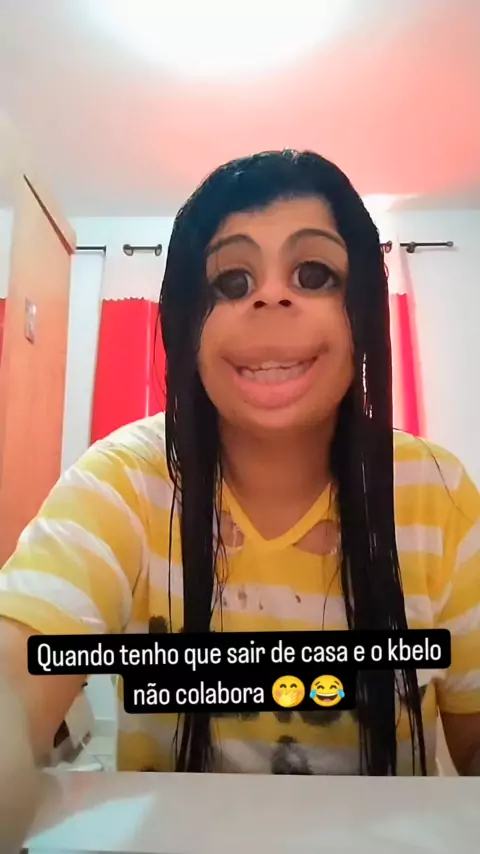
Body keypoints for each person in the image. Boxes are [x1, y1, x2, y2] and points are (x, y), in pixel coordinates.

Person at [0, 152, 479, 806]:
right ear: (187, 328)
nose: (270, 296)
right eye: (231, 281)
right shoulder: (123, 480)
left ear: (363, 315)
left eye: (314, 274)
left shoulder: (435, 490)